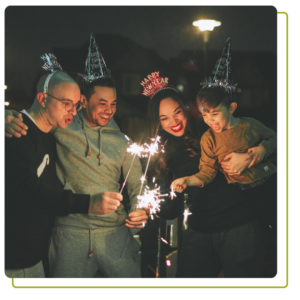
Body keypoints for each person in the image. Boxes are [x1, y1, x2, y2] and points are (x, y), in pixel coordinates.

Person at [4, 35, 148, 279]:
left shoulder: (122, 141)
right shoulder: (61, 126)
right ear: (85, 101)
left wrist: (139, 208)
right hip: (69, 233)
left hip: (114, 233)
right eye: (102, 102)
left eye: (113, 103)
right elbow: (36, 118)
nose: (109, 109)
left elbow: (137, 184)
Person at [142, 67, 283, 278]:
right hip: (198, 230)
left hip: (239, 225)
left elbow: (272, 158)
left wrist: (252, 156)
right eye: (165, 118)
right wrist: (149, 206)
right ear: (158, 122)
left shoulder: (215, 127)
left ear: (187, 108)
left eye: (177, 112)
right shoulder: (163, 154)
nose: (174, 122)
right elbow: (171, 209)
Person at [171, 86, 282, 203]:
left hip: (269, 179)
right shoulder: (208, 139)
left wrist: (261, 150)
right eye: (204, 115)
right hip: (241, 193)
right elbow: (208, 172)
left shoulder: (250, 125)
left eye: (214, 114)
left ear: (231, 108)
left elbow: (276, 138)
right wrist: (187, 181)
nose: (209, 120)